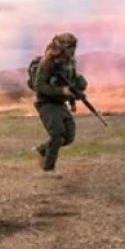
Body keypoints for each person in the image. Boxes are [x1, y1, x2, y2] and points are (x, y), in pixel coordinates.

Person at [32, 33, 87, 176]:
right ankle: (48, 169)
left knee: (68, 136)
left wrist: (77, 91)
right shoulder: (47, 63)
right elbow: (40, 86)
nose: (72, 51)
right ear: (61, 48)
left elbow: (71, 81)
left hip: (60, 104)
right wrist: (60, 90)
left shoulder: (70, 63)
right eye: (70, 47)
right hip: (46, 103)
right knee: (57, 135)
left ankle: (44, 150)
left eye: (74, 47)